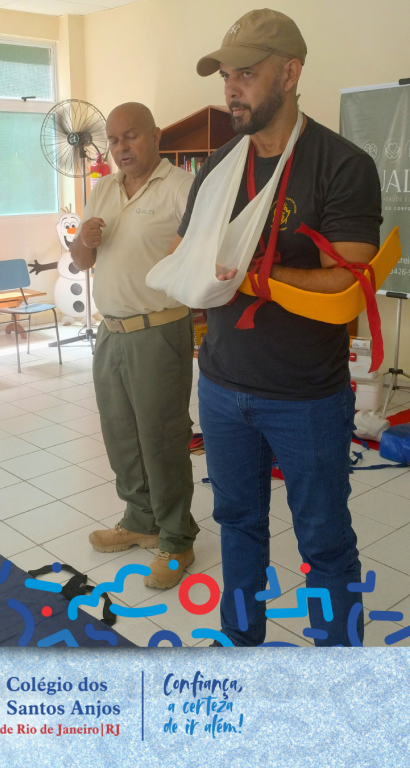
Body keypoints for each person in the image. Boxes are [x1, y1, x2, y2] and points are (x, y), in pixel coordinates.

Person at [168, 9, 382, 645]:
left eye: (246, 74)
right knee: (237, 524)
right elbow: (187, 259)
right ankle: (242, 646)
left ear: (290, 74)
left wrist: (253, 277)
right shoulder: (218, 168)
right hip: (222, 386)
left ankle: (338, 666)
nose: (232, 89)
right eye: (226, 76)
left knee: (323, 539)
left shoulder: (341, 165)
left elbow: (348, 282)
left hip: (306, 395)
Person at [70, 102, 199, 590]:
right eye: (114, 140)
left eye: (132, 136)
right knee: (121, 435)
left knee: (162, 438)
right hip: (111, 332)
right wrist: (84, 239)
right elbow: (81, 260)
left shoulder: (183, 187)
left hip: (158, 329)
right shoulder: (103, 188)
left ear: (156, 136)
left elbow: (204, 252)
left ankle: (177, 537)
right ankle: (140, 519)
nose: (121, 147)